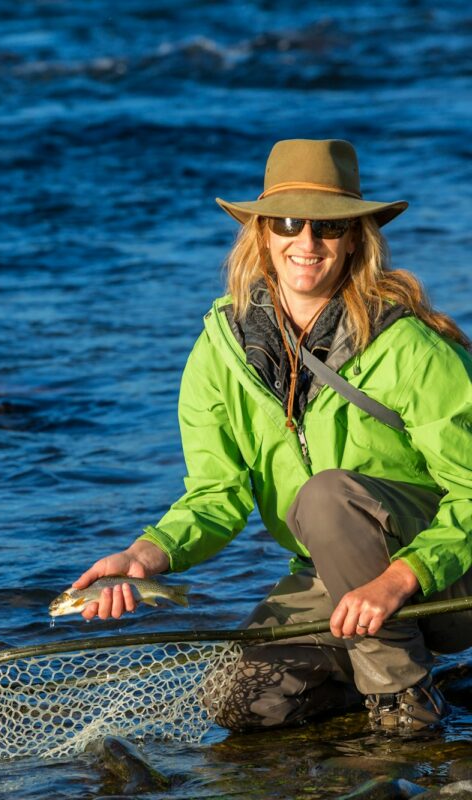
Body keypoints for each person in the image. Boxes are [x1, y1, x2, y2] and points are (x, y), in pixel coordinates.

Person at [72, 139, 472, 732]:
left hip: (449, 581)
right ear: (262, 234)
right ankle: (372, 679)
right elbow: (217, 494)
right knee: (238, 696)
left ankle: (404, 700)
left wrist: (398, 578)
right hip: (337, 581)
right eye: (289, 223)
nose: (307, 244)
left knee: (326, 497)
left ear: (356, 238)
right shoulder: (219, 352)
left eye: (329, 227)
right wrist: (145, 554)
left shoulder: (412, 349)